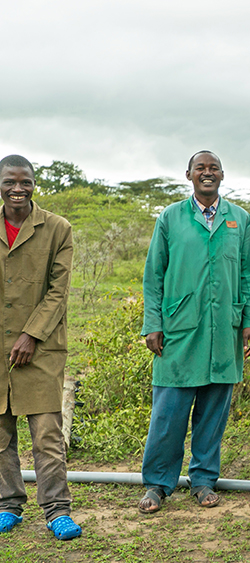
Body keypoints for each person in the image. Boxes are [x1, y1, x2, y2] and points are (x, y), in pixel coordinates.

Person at [138, 151, 250, 514]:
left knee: (213, 413)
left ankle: (204, 480)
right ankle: (157, 484)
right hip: (179, 330)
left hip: (224, 331)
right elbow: (154, 276)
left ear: (222, 175)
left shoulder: (238, 220)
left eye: (213, 169)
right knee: (169, 414)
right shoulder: (171, 217)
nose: (207, 174)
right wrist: (153, 324)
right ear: (189, 175)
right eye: (201, 169)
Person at [0, 155, 81, 540]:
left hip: (42, 347)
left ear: (35, 183)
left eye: (25, 182)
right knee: (0, 435)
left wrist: (31, 334)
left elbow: (58, 291)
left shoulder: (57, 229)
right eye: (10, 182)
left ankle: (57, 510)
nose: (18, 189)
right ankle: (8, 505)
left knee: (47, 434)